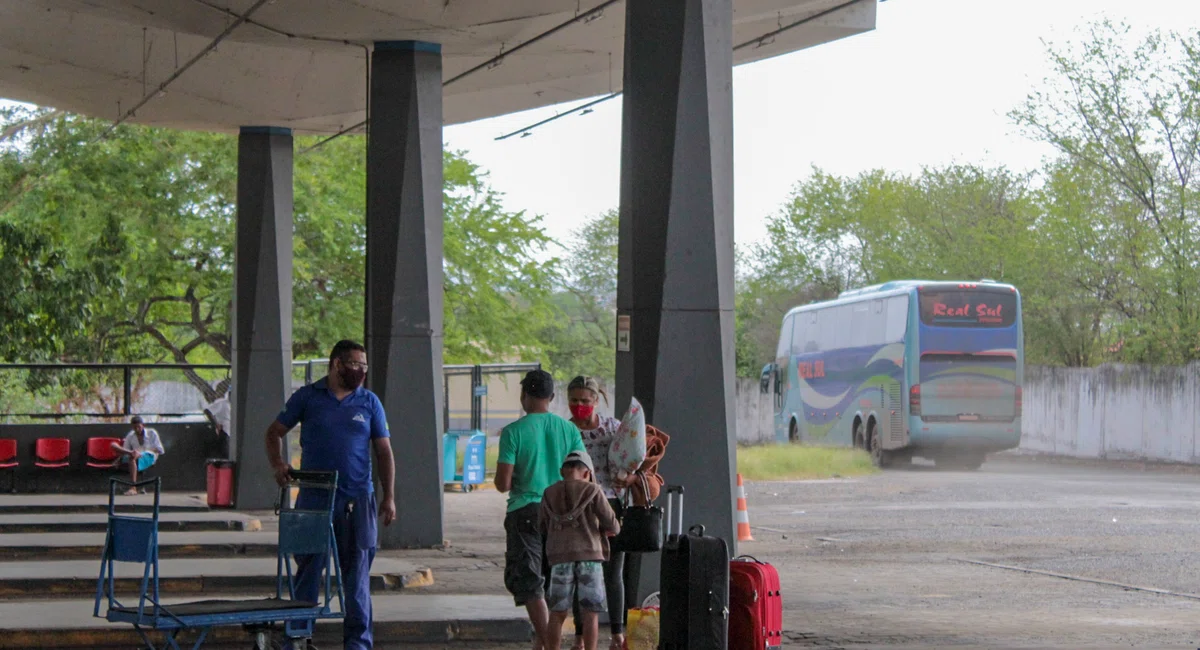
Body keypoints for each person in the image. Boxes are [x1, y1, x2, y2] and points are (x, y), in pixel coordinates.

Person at [264, 339, 396, 650]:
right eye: (355, 365)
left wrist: (388, 496)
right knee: (309, 570)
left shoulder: (369, 402)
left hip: (358, 500)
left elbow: (384, 451)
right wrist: (278, 464)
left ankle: (358, 644)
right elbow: (274, 432)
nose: (361, 371)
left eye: (364, 366)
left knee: (357, 577)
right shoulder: (308, 398)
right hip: (314, 498)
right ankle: (297, 639)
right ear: (336, 364)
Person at [494, 369, 586, 650]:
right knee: (554, 578)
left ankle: (549, 643)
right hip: (562, 511)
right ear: (552, 397)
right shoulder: (569, 430)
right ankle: (544, 642)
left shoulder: (513, 432)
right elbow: (583, 473)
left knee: (530, 579)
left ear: (524, 396)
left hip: (526, 510)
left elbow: (502, 483)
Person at [565, 376, 628, 650]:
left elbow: (628, 459)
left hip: (611, 504)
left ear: (596, 401)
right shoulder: (565, 431)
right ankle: (580, 637)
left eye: (585, 401)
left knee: (613, 572)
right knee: (584, 572)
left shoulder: (613, 427)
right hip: (578, 507)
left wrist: (628, 477)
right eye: (574, 401)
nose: (579, 406)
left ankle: (617, 634)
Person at [539, 450, 621, 650]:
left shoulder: (549, 493)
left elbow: (542, 526)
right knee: (590, 613)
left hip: (559, 559)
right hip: (590, 558)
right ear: (587, 473)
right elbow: (613, 525)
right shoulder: (593, 490)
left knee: (557, 613)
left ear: (562, 471)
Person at [110, 415, 165, 495]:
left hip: (149, 456)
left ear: (143, 425)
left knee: (133, 457)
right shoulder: (130, 435)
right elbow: (125, 449)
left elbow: (160, 449)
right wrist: (119, 459)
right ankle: (133, 453)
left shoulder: (152, 433)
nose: (137, 429)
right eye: (134, 427)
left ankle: (133, 488)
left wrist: (143, 452)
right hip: (133, 454)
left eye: (139, 427)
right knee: (113, 445)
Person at [203, 395, 231, 460]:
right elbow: (208, 411)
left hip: (232, 432)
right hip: (225, 431)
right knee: (225, 453)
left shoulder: (234, 405)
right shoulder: (222, 403)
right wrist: (216, 424)